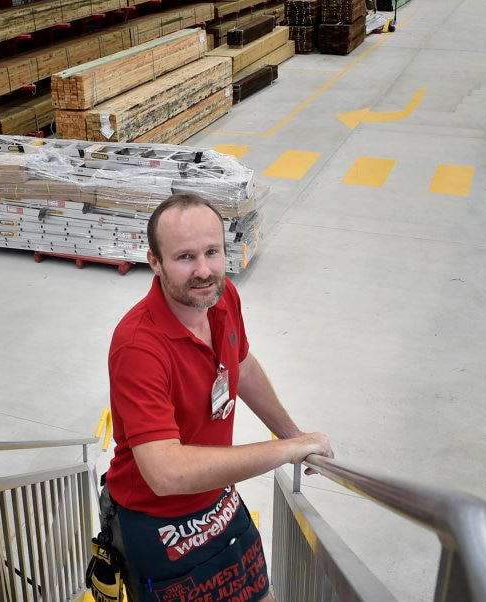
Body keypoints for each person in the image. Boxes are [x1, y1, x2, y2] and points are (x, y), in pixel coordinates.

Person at [102, 192, 333, 602]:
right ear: (154, 262)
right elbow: (166, 473)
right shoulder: (137, 346)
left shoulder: (223, 299)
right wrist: (285, 451)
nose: (204, 270)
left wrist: (291, 434)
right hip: (160, 522)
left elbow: (240, 365)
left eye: (212, 251)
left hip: (219, 499)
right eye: (185, 257)